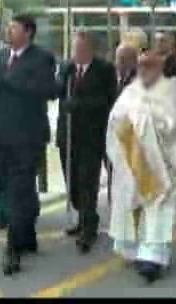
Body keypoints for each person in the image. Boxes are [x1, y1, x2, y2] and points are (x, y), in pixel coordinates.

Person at [106, 50, 176, 283]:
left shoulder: (171, 90)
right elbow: (115, 116)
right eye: (142, 66)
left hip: (161, 161)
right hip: (132, 156)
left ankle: (153, 257)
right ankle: (132, 248)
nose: (145, 70)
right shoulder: (130, 90)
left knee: (157, 207)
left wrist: (153, 123)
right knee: (131, 205)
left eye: (150, 66)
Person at [0, 14, 57, 275]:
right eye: (8, 27)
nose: (8, 31)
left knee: (19, 191)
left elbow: (47, 90)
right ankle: (27, 235)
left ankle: (12, 248)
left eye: (14, 27)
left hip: (27, 136)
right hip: (0, 136)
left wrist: (9, 80)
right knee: (13, 189)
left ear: (28, 32)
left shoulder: (42, 58)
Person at [56, 32, 117, 253]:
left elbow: (109, 100)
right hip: (68, 135)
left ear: (90, 49)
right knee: (71, 182)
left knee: (87, 182)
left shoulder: (105, 70)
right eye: (74, 49)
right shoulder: (67, 68)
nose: (77, 53)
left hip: (91, 136)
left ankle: (88, 226)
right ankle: (82, 216)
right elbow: (57, 92)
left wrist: (80, 104)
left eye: (81, 49)